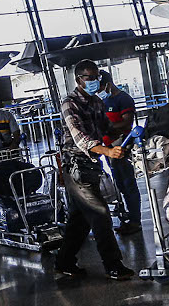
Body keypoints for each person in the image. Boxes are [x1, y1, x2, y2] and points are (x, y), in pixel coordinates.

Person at [55, 60, 134, 280]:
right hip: (76, 168)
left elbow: (107, 129)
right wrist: (108, 152)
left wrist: (129, 127)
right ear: (78, 79)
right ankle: (113, 265)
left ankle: (64, 262)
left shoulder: (97, 102)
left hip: (91, 166)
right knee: (100, 215)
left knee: (79, 221)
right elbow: (81, 138)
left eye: (96, 76)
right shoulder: (69, 103)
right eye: (89, 77)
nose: (94, 81)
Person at [98, 71, 141, 235]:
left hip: (122, 146)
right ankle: (128, 217)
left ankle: (135, 220)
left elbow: (127, 123)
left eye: (101, 86)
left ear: (108, 84)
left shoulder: (123, 99)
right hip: (109, 148)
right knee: (120, 184)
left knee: (129, 184)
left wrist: (107, 128)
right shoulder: (105, 100)